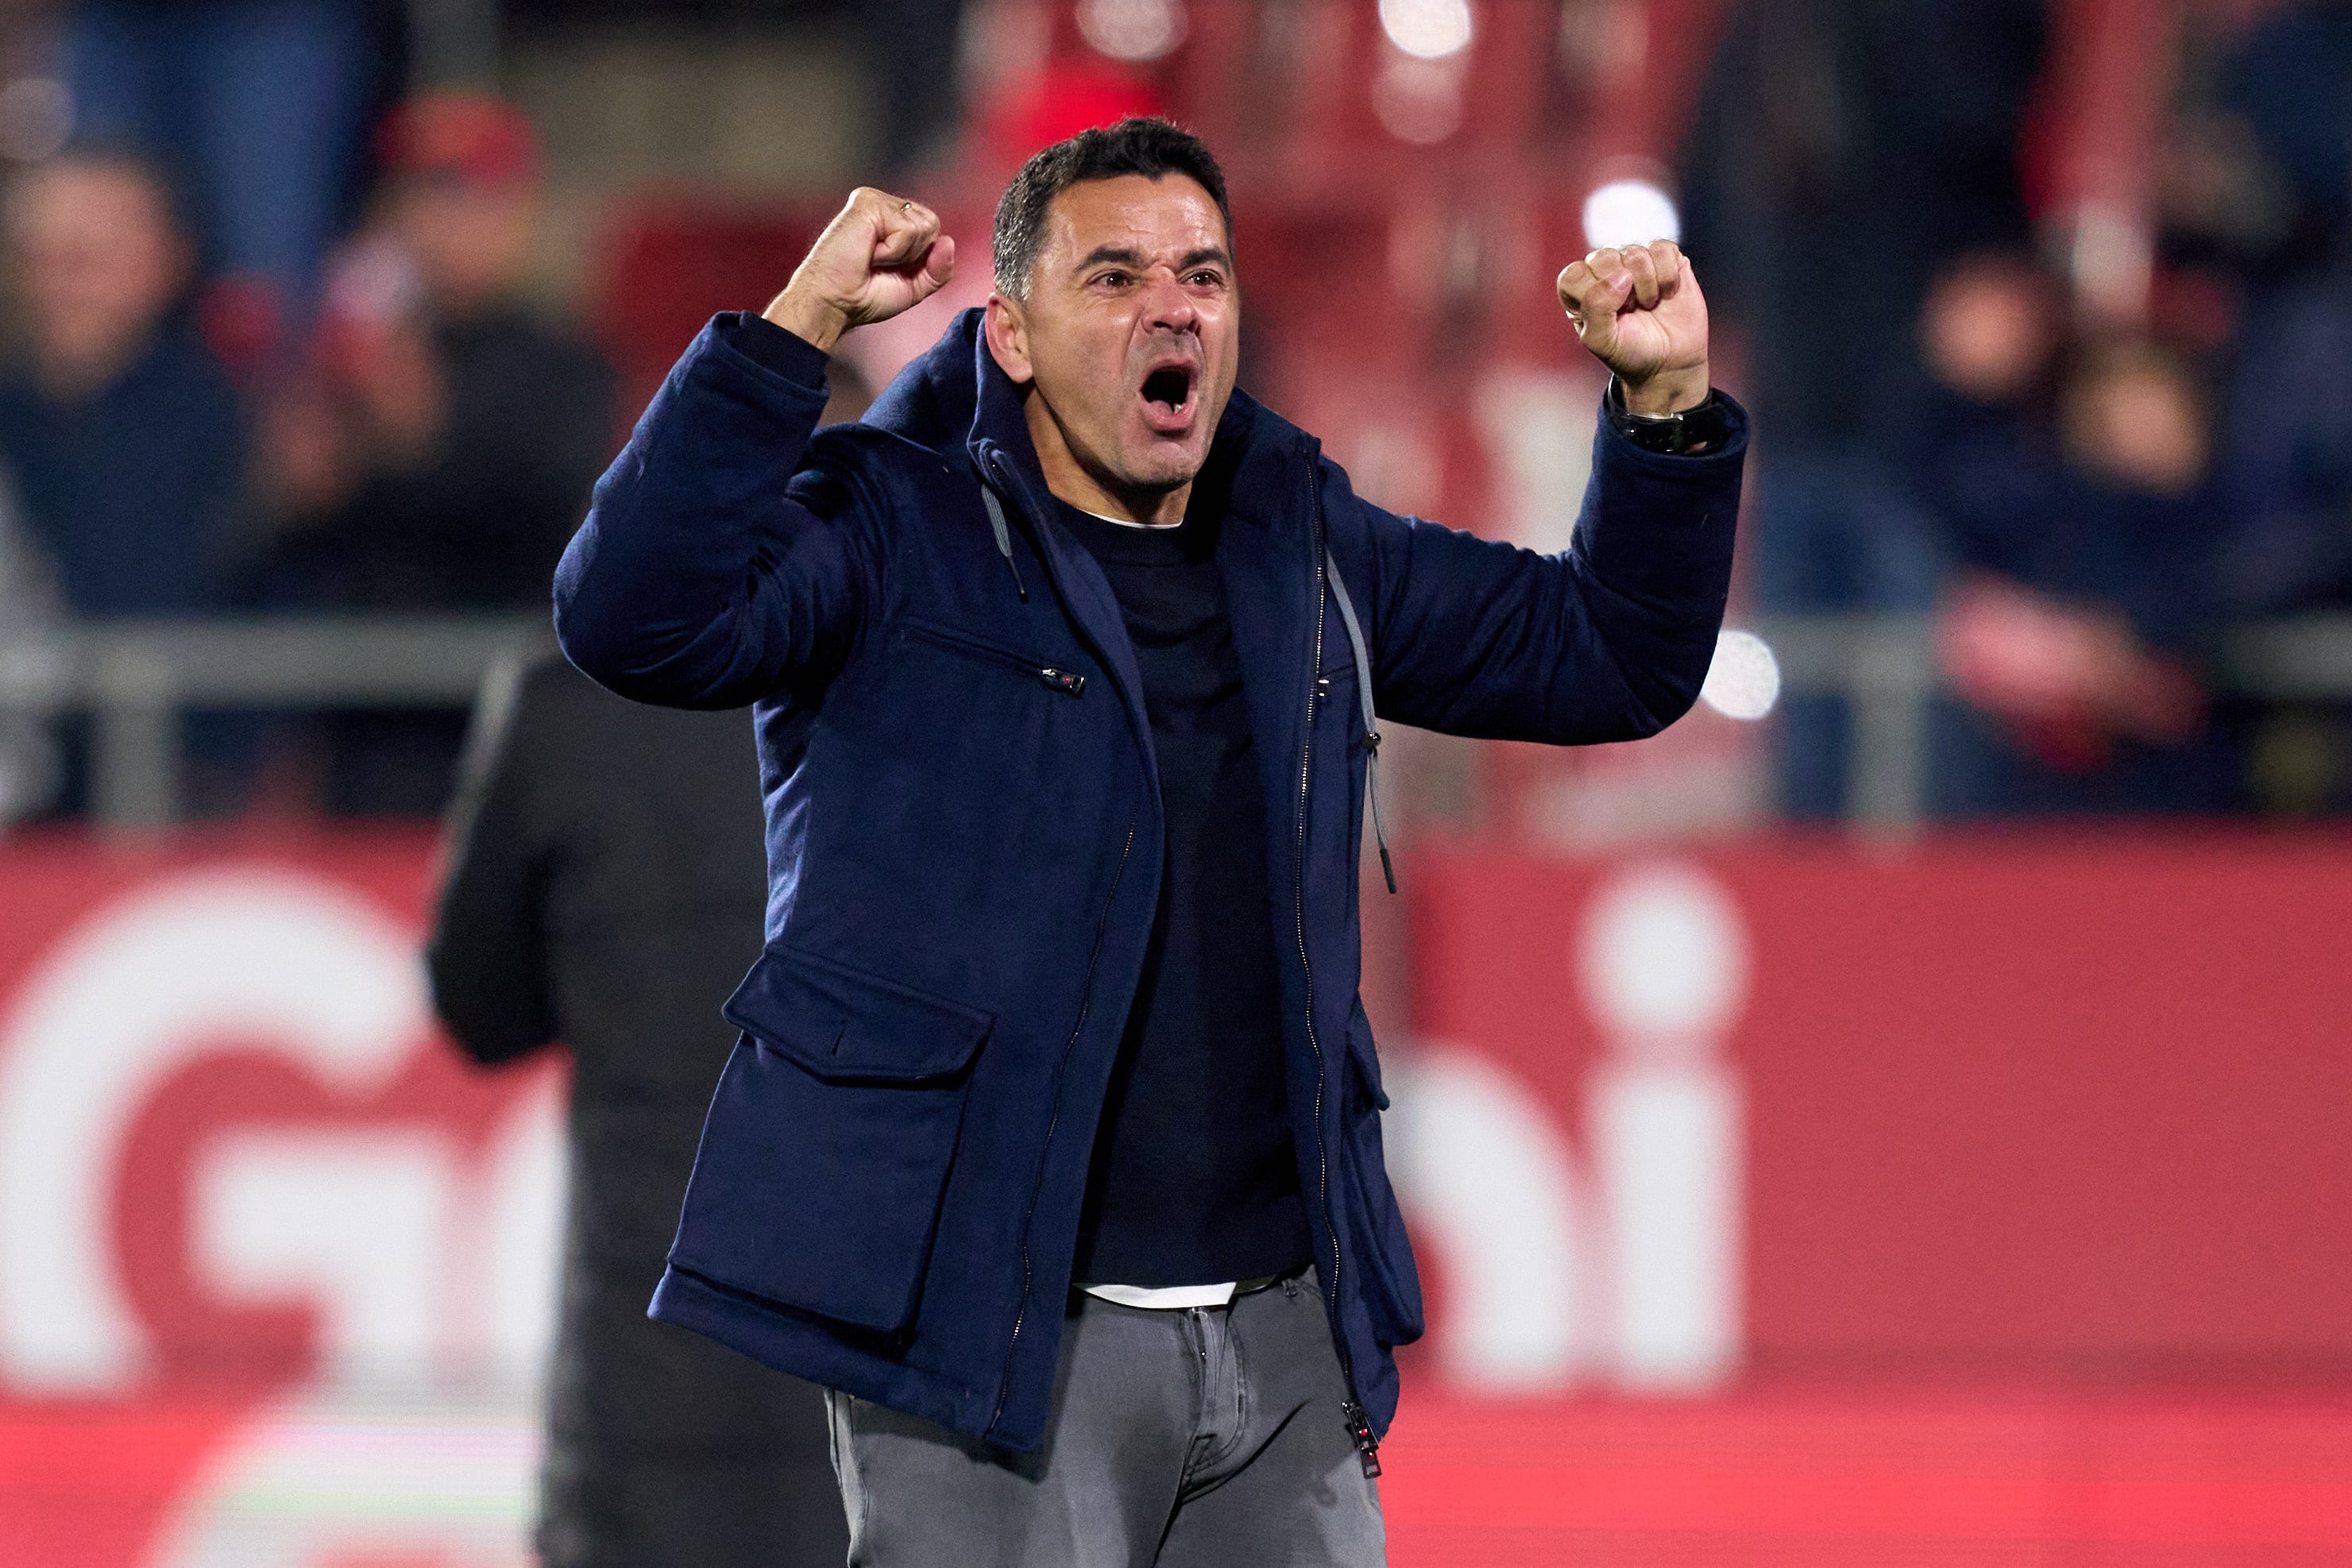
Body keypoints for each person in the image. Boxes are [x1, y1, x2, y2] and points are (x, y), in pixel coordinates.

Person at [553, 118, 1745, 1565]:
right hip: (995, 1336)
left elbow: (1605, 655)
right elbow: (633, 615)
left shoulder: (1304, 541)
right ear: (1010, 334)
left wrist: (1669, 410)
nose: (1170, 304)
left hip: (1284, 1341)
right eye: (1112, 277)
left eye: (1202, 273)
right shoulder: (887, 524)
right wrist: (790, 331)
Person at [427, 653, 851, 1568]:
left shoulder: (563, 704)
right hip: (866, 1406)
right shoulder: (922, 683)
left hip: (639, 1413)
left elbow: (477, 1006)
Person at [257, 92, 618, 813]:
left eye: (478, 200)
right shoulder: (342, 362)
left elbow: (552, 529)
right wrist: (298, 488)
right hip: (364, 743)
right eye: (427, 198)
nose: (451, 226)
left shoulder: (568, 367)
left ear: (523, 215)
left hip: (515, 735)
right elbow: (280, 548)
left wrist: (423, 446)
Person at [0, 150, 247, 619]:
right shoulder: (13, 418)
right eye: (36, 258)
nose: (58, 285)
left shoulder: (233, 425)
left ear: (167, 260)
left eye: (86, 258)